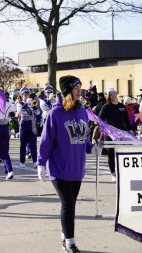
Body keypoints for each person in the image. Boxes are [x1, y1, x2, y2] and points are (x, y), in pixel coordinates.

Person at [38, 75, 100, 253]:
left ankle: (65, 234)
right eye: (76, 88)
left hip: (76, 169)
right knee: (68, 203)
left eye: (80, 87)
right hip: (59, 169)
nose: (80, 91)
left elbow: (83, 137)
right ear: (67, 91)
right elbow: (46, 140)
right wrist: (41, 164)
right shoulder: (55, 113)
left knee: (71, 204)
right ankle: (70, 242)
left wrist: (91, 147)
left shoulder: (82, 111)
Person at [98, 88, 131, 182]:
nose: (114, 95)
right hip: (110, 134)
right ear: (108, 96)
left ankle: (121, 172)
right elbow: (100, 119)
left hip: (121, 134)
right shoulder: (106, 106)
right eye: (111, 93)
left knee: (121, 153)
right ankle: (113, 174)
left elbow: (126, 120)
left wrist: (130, 130)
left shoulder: (122, 106)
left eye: (115, 93)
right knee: (111, 154)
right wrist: (105, 128)